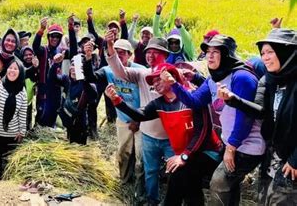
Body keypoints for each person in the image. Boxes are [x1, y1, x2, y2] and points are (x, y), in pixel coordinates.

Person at [106, 63, 222, 206]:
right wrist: (117, 101)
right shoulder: (159, 104)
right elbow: (140, 114)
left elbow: (203, 131)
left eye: (158, 79)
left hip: (207, 152)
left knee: (179, 177)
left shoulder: (192, 97)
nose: (154, 84)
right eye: (153, 82)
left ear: (171, 77)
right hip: (185, 156)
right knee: (190, 186)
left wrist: (185, 155)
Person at [170, 34, 265, 205]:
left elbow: (246, 117)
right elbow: (195, 101)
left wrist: (231, 147)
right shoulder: (214, 78)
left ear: (227, 54)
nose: (210, 55)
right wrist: (174, 84)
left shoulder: (242, 77)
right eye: (208, 51)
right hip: (232, 143)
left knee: (219, 183)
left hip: (247, 146)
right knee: (231, 186)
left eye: (216, 51)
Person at [218, 28, 297, 205]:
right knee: (263, 199)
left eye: (270, 52)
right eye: (262, 53)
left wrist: (294, 160)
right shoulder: (268, 79)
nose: (265, 57)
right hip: (273, 155)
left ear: (286, 52)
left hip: (291, 159)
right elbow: (260, 110)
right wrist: (234, 100)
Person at [106, 32, 172, 205]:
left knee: (174, 172)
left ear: (165, 55)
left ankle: (173, 199)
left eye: (155, 52)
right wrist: (111, 48)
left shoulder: (173, 75)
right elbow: (120, 71)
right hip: (148, 132)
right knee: (148, 169)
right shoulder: (142, 74)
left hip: (170, 135)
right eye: (148, 51)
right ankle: (149, 199)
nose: (150, 55)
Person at [83, 39, 146, 201]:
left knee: (141, 156)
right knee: (124, 152)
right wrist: (88, 58)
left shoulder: (141, 71)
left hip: (143, 120)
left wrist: (138, 121)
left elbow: (148, 99)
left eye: (123, 53)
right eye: (115, 52)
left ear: (130, 55)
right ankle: (125, 181)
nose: (118, 56)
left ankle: (140, 189)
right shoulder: (108, 70)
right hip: (123, 119)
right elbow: (90, 77)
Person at [0, 59, 27, 180]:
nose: (12, 71)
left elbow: (22, 112)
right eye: (10, 68)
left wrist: (22, 131)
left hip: (10, 134)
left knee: (6, 166)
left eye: (16, 69)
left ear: (21, 72)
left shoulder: (22, 90)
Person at [33, 17, 69, 127]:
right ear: (48, 37)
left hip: (56, 88)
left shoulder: (61, 51)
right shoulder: (43, 50)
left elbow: (75, 51)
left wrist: (71, 28)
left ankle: (50, 129)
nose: (55, 38)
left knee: (53, 112)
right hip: (44, 88)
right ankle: (39, 132)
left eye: (58, 36)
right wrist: (41, 30)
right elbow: (35, 46)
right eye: (52, 35)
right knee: (42, 114)